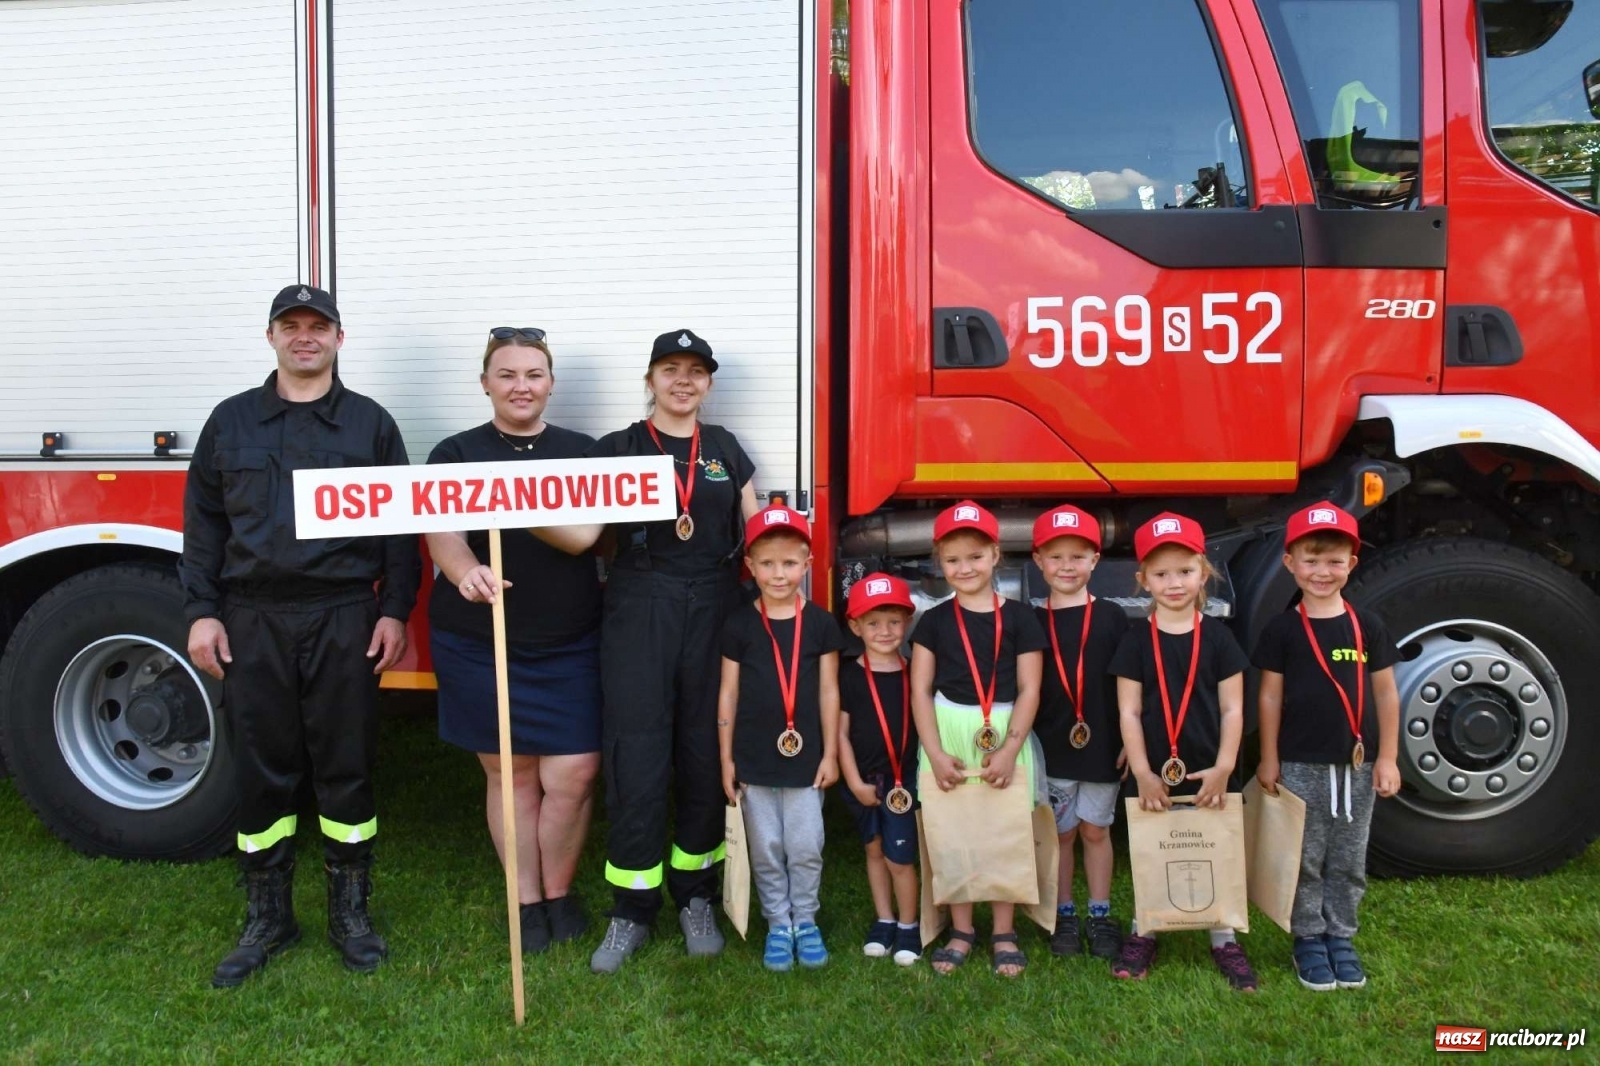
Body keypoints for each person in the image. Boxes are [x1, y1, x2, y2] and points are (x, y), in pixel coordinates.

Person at [181, 284, 420, 988]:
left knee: (346, 767)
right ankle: (268, 917)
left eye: (319, 326)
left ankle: (351, 915)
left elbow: (399, 530)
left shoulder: (370, 425)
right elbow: (204, 528)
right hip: (251, 617)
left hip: (344, 614)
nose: (305, 337)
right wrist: (200, 612)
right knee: (264, 770)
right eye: (292, 326)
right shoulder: (230, 423)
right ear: (271, 337)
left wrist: (394, 610)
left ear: (340, 340)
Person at [569, 329, 761, 974]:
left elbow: (756, 537)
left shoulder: (727, 450)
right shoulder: (617, 449)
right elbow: (585, 536)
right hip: (639, 604)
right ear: (649, 379)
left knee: (706, 749)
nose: (684, 381)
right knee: (637, 749)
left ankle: (695, 893)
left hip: (714, 607)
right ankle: (631, 905)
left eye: (697, 371)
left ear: (709, 383)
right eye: (670, 369)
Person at [424, 327, 602, 954]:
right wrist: (461, 567)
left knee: (575, 773)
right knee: (511, 774)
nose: (521, 386)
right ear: (485, 384)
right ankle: (527, 901)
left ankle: (560, 889)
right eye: (507, 374)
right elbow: (440, 530)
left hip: (569, 641)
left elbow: (584, 537)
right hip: (480, 640)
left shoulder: (582, 451)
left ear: (550, 383)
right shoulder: (455, 453)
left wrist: (508, 499)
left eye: (533, 374)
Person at [1252, 502, 1402, 992]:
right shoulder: (1282, 629)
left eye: (1334, 560)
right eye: (1311, 560)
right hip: (1299, 763)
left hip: (1356, 768)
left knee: (1348, 856)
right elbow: (1270, 695)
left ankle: (1341, 934)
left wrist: (1387, 757)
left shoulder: (1368, 627)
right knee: (1305, 855)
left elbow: (1385, 692)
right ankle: (1308, 937)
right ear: (1290, 563)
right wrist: (1269, 757)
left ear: (1351, 565)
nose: (1322, 571)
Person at [1108, 512, 1257, 991]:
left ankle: (1224, 937)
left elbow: (1234, 708)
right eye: (1161, 573)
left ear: (1204, 573)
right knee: (1153, 849)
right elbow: (1128, 713)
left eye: (1185, 571)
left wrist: (1225, 767)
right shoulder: (1135, 640)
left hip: (1211, 766)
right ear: (1142, 580)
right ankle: (1145, 927)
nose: (1174, 583)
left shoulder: (1219, 638)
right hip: (1152, 769)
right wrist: (1144, 772)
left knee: (1214, 848)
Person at [911, 500, 1048, 978]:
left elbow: (1031, 686)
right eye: (952, 560)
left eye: (974, 556)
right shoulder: (932, 621)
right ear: (939, 563)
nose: (964, 568)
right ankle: (963, 928)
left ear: (995, 555)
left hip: (1006, 729)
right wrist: (933, 750)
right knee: (957, 831)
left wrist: (1011, 748)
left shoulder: (1021, 618)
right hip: (948, 729)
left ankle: (1004, 931)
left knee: (1002, 827)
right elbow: (921, 690)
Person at [718, 506, 844, 971]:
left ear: (808, 564)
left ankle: (805, 920)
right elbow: (727, 694)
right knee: (766, 846)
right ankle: (778, 922)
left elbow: (830, 691)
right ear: (749, 565)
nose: (778, 574)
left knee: (806, 844)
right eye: (767, 563)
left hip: (807, 760)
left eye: (790, 563)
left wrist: (830, 752)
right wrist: (725, 759)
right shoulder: (738, 624)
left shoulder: (822, 624)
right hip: (752, 759)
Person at [1030, 505, 1130, 962]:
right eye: (1056, 557)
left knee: (1095, 830)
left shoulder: (1111, 617)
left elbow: (1130, 686)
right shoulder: (1029, 621)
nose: (1066, 566)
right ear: (1038, 562)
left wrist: (1133, 739)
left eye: (1077, 556)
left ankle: (1100, 912)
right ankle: (1064, 912)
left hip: (1104, 743)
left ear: (1095, 561)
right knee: (1063, 833)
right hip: (1051, 746)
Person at [836, 571, 921, 966]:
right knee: (872, 850)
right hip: (864, 782)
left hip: (904, 782)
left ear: (907, 621)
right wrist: (853, 781)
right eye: (872, 623)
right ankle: (884, 919)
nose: (884, 631)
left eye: (893, 621)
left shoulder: (918, 672)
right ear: (855, 626)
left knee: (900, 858)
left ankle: (908, 925)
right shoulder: (848, 674)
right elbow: (840, 734)